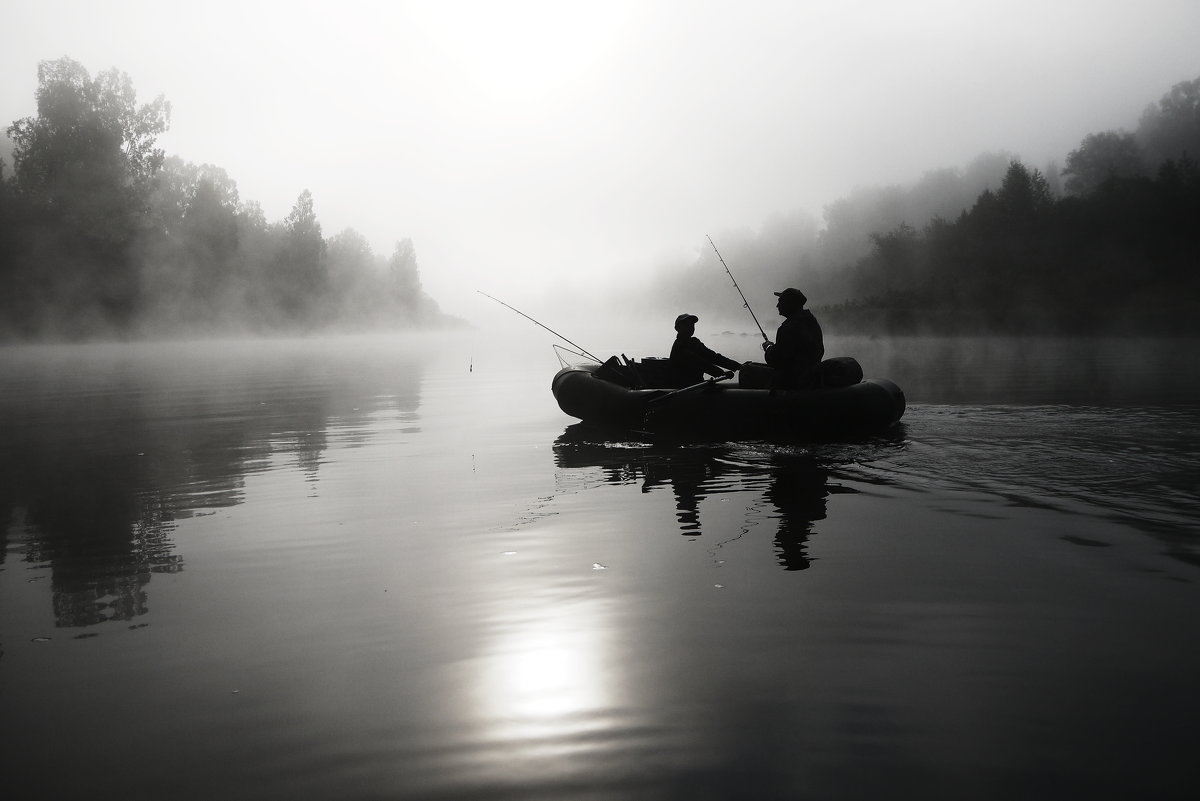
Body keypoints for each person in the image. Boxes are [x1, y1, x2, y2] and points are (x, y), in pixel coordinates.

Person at [761, 288, 824, 390]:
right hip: (812, 377)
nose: (777, 306)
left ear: (789, 304)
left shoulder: (788, 327)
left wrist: (768, 348)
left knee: (747, 369)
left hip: (794, 382)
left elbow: (776, 360)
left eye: (780, 302)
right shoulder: (811, 322)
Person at [669, 313, 742, 387]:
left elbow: (713, 357)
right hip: (684, 386)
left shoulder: (694, 342)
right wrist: (721, 373)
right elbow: (698, 362)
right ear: (679, 328)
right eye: (687, 325)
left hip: (697, 383)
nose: (691, 327)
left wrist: (739, 366)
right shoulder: (679, 346)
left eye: (692, 325)